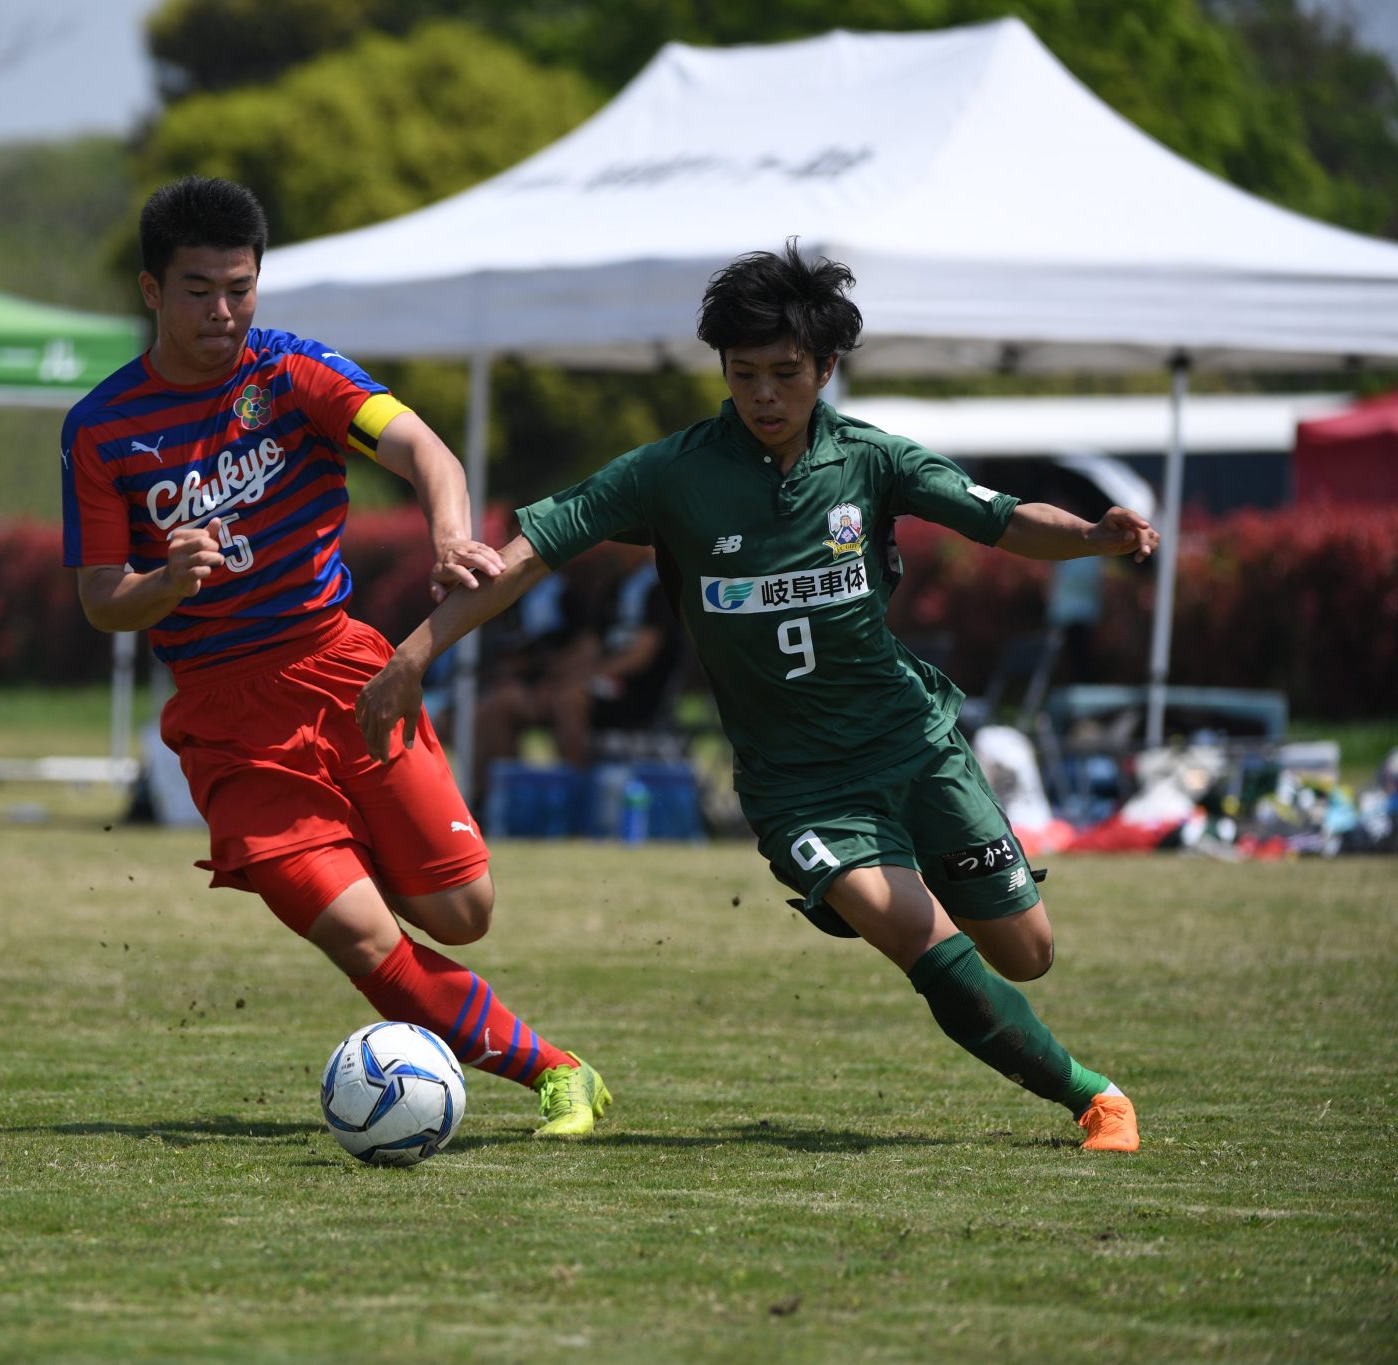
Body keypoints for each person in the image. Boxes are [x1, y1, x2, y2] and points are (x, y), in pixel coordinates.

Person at [358, 243, 1159, 1152]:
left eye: (786, 373)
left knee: (1027, 951)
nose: (765, 395)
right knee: (913, 932)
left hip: (913, 743)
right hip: (797, 783)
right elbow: (525, 558)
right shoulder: (672, 473)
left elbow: (1003, 518)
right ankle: (1095, 1098)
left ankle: (915, 863)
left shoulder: (871, 460)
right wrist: (412, 655)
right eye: (745, 375)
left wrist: (1092, 535)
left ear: (826, 367)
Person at [62, 176, 609, 1137]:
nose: (223, 311)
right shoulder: (101, 428)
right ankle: (558, 1071)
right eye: (198, 290)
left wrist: (450, 535)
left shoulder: (292, 372)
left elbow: (428, 453)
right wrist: (167, 582)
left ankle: (358, 850)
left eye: (240, 288)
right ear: (152, 290)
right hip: (229, 721)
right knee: (362, 935)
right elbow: (103, 599)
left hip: (347, 675)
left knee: (463, 910)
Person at [474, 551, 682, 791]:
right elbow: (590, 647)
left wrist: (581, 677)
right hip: (590, 681)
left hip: (635, 691)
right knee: (502, 703)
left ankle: (575, 793)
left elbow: (640, 657)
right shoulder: (619, 586)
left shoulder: (657, 588)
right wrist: (553, 678)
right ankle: (502, 796)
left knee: (569, 699)